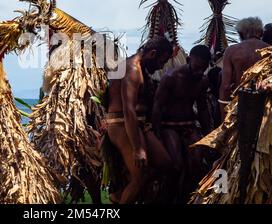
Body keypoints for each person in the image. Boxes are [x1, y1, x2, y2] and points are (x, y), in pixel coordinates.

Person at [105, 36, 173, 204]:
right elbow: (129, 110)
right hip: (122, 124)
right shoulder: (132, 69)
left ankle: (117, 196)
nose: (161, 67)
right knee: (139, 178)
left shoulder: (140, 68)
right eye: (161, 61)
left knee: (165, 163)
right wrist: (137, 148)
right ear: (153, 53)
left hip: (137, 124)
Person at [151, 45, 212, 202]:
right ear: (188, 59)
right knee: (175, 165)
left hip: (189, 125)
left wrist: (209, 134)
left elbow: (203, 108)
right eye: (198, 67)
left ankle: (185, 199)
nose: (200, 72)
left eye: (203, 69)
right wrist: (157, 135)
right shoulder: (171, 77)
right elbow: (157, 106)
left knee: (197, 163)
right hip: (169, 125)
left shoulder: (203, 81)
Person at [219, 17, 269, 119]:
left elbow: (225, 86)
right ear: (260, 32)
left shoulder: (232, 51)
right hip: (266, 106)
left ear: (241, 33)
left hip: (241, 105)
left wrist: (223, 117)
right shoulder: (269, 50)